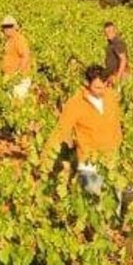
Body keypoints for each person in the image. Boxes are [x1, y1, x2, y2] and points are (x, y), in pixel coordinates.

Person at [41, 65, 122, 194]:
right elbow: (61, 130)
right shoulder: (75, 104)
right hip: (88, 161)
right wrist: (45, 158)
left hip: (111, 158)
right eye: (97, 87)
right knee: (93, 200)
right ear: (86, 84)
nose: (102, 91)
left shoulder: (110, 97)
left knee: (113, 202)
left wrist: (118, 143)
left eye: (104, 86)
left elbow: (117, 122)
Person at [0, 15, 33, 99]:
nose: (7, 29)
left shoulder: (19, 39)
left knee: (18, 103)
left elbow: (26, 56)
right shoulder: (9, 41)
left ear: (15, 27)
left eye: (10, 26)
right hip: (10, 78)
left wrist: (18, 74)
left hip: (19, 80)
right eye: (5, 27)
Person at [103, 21, 130, 88]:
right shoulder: (110, 43)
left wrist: (118, 77)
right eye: (107, 32)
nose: (108, 34)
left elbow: (123, 60)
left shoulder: (117, 42)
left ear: (115, 31)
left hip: (119, 75)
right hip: (113, 75)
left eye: (110, 31)